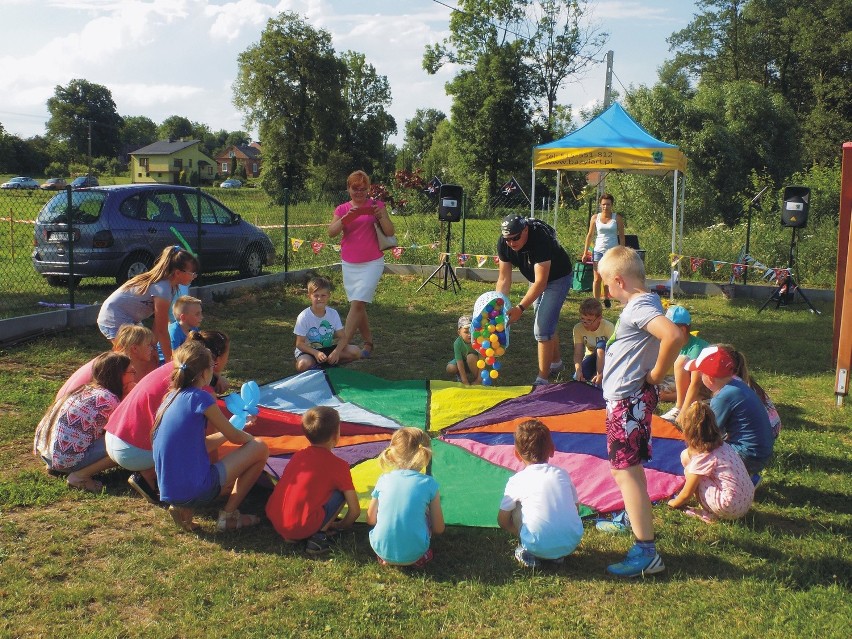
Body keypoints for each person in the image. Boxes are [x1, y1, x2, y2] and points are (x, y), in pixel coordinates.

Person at [596, 246, 684, 577]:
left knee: (626, 471)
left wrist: (657, 375)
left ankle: (646, 551)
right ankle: (632, 516)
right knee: (627, 468)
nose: (607, 291)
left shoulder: (638, 308)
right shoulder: (646, 302)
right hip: (629, 400)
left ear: (618, 280)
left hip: (627, 403)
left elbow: (672, 335)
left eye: (607, 284)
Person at [152, 341, 269, 532]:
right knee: (261, 447)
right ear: (205, 373)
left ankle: (183, 508)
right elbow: (236, 438)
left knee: (191, 464)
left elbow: (200, 445)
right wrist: (248, 439)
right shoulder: (201, 398)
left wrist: (236, 429)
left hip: (168, 489)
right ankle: (228, 516)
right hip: (199, 488)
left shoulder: (170, 397)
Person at [105, 331, 232, 505]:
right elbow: (205, 444)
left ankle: (149, 474)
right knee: (189, 447)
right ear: (215, 361)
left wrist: (215, 376)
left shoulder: (178, 368)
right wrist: (215, 478)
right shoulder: (203, 394)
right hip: (133, 451)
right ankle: (151, 474)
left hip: (113, 437)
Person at [265, 406, 361, 555]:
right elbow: (354, 511)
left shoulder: (298, 456)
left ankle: (293, 535)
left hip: (277, 519)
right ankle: (319, 537)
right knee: (342, 492)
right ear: (336, 434)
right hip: (300, 526)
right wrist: (339, 525)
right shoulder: (339, 466)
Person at [34, 352, 135, 492]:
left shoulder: (87, 389)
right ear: (120, 375)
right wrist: (130, 394)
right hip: (66, 461)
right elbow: (126, 427)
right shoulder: (108, 399)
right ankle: (80, 477)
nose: (135, 376)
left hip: (47, 455)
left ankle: (58, 465)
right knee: (125, 443)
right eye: (132, 372)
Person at [496, 214, 573, 386]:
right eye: (507, 239)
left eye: (515, 238)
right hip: (536, 278)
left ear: (525, 230)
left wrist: (520, 308)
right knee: (546, 321)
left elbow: (541, 282)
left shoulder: (539, 238)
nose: (511, 242)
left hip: (558, 277)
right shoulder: (504, 243)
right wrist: (498, 305)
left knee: (542, 328)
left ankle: (542, 379)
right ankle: (556, 363)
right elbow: (503, 279)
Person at [497, 420, 583, 568]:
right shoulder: (562, 474)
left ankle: (529, 550)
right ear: (552, 450)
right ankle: (555, 553)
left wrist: (520, 534)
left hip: (536, 543)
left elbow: (502, 520)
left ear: (517, 455)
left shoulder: (517, 480)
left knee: (516, 506)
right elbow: (575, 507)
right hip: (571, 543)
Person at [327, 170, 395, 359]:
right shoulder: (342, 209)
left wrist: (380, 215)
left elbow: (390, 232)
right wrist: (345, 219)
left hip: (373, 262)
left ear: (368, 189)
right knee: (359, 304)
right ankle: (368, 342)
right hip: (350, 263)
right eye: (355, 188)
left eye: (363, 189)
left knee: (357, 304)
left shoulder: (377, 205)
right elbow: (331, 232)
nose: (359, 192)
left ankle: (339, 350)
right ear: (348, 188)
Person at [96, 245, 200, 362]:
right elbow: (161, 330)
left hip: (129, 318)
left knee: (146, 353)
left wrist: (153, 345)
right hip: (114, 317)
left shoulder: (169, 286)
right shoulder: (163, 288)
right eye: (192, 273)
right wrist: (170, 361)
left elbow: (159, 323)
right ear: (177, 273)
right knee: (132, 357)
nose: (194, 276)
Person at [685, 345, 774, 479]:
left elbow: (709, 435)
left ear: (709, 378)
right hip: (761, 452)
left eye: (701, 373)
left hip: (748, 456)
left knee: (691, 456)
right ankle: (746, 477)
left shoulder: (722, 397)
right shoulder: (737, 384)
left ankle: (731, 481)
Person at [366, 428, 445, 567]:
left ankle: (389, 556)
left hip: (381, 549)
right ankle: (420, 557)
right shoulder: (429, 484)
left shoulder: (384, 479)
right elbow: (438, 528)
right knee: (425, 514)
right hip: (416, 553)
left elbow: (370, 519)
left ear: (393, 454)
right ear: (425, 455)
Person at [667, 402, 755, 523]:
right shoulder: (724, 446)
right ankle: (716, 506)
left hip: (729, 506)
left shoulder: (703, 457)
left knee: (691, 471)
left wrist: (674, 503)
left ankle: (710, 513)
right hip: (746, 500)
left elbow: (686, 494)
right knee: (690, 462)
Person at [56, 324, 158, 399]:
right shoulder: (118, 366)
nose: (152, 349)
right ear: (135, 349)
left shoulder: (112, 360)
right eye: (149, 345)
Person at [294, 276, 362, 372]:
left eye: (323, 295)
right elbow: (299, 344)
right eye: (316, 295)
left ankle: (329, 362)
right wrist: (316, 353)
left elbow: (343, 337)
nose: (319, 299)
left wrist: (336, 352)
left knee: (356, 352)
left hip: (327, 349)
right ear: (309, 296)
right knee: (303, 365)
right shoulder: (304, 316)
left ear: (329, 296)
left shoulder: (333, 313)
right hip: (309, 351)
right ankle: (317, 366)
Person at [718, 344, 782, 439]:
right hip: (772, 429)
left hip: (759, 436)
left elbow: (714, 425)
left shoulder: (729, 387)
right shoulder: (742, 381)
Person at [658, 305, 710, 423]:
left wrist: (666, 397)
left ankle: (679, 407)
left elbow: (695, 384)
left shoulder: (696, 348)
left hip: (703, 387)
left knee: (681, 362)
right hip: (684, 384)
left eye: (669, 327)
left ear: (682, 330)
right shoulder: (673, 342)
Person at [582, 193, 625, 308]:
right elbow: (590, 235)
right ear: (600, 205)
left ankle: (606, 297)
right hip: (598, 251)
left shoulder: (617, 218)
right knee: (597, 278)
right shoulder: (595, 218)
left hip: (612, 252)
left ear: (612, 205)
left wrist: (622, 251)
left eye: (608, 204)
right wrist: (585, 251)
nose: (606, 206)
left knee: (609, 277)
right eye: (603, 204)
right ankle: (595, 303)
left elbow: (621, 236)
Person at [572, 298, 615, 386]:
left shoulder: (608, 327)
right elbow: (578, 353)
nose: (585, 324)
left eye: (589, 320)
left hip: (608, 357)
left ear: (599, 318)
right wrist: (578, 370)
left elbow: (616, 350)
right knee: (579, 379)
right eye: (582, 319)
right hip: (591, 357)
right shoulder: (578, 328)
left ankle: (600, 374)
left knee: (601, 344)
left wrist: (601, 373)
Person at [447, 315, 480, 385]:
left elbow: (482, 360)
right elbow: (459, 362)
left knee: (470, 357)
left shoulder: (479, 340)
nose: (470, 335)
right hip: (463, 362)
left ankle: (478, 379)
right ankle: (461, 375)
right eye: (466, 332)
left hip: (475, 361)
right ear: (459, 333)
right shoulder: (457, 343)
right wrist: (464, 380)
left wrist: (479, 379)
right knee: (450, 368)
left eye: (472, 331)